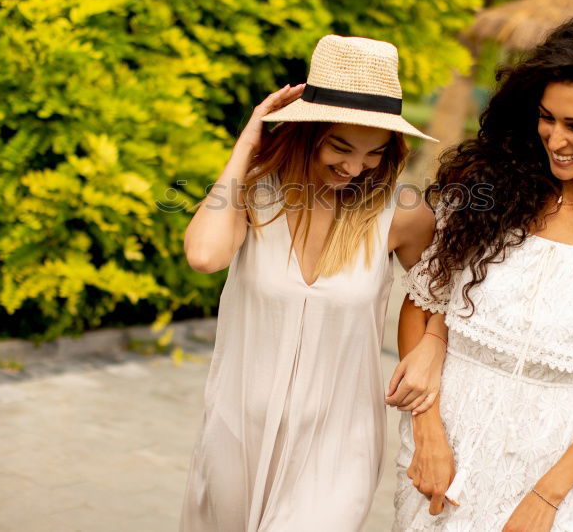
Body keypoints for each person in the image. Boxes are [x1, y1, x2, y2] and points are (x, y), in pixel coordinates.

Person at [390, 12, 573, 531]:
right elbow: (421, 308)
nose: (556, 139)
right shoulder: (492, 190)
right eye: (547, 117)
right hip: (445, 437)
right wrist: (427, 432)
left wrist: (549, 496)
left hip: (551, 460)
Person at [179, 34, 445, 531]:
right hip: (239, 430)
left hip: (338, 441)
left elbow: (448, 294)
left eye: (373, 153)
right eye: (340, 146)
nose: (354, 167)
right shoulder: (256, 195)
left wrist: (432, 342)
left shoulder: (401, 215)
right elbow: (203, 255)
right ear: (305, 131)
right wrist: (249, 140)